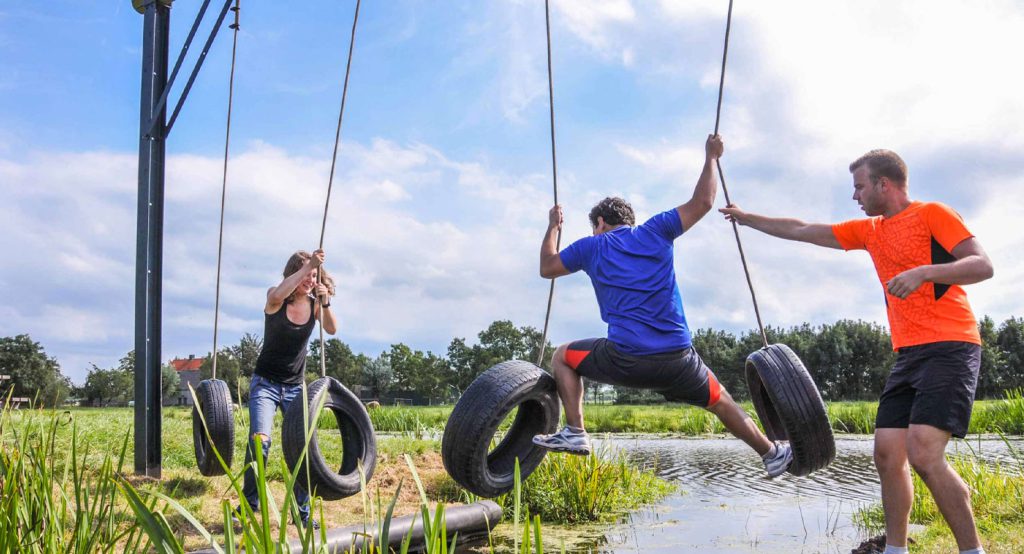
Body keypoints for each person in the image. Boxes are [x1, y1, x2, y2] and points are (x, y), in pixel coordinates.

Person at [719, 149, 993, 554]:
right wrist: (747, 218)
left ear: (884, 184)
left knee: (922, 452)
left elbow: (981, 265)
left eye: (859, 186)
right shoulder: (870, 231)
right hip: (909, 354)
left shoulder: (933, 214)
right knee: (886, 454)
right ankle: (896, 549)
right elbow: (804, 229)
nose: (855, 196)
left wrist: (924, 273)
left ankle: (972, 550)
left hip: (951, 345)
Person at [533, 134, 793, 479]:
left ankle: (576, 431)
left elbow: (547, 267)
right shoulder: (655, 231)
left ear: (599, 224)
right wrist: (711, 157)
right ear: (630, 220)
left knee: (562, 356)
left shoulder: (590, 247)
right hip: (678, 360)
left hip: (625, 358)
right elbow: (704, 202)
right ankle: (772, 453)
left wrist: (553, 227)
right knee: (722, 402)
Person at [237, 248, 338, 529]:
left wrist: (326, 302)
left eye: (315, 275)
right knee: (260, 441)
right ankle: (248, 505)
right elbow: (277, 295)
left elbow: (331, 329)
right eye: (307, 273)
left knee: (301, 448)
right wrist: (308, 268)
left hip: (295, 387)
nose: (310, 279)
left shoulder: (314, 304)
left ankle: (301, 513)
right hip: (265, 384)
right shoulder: (276, 298)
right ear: (295, 272)